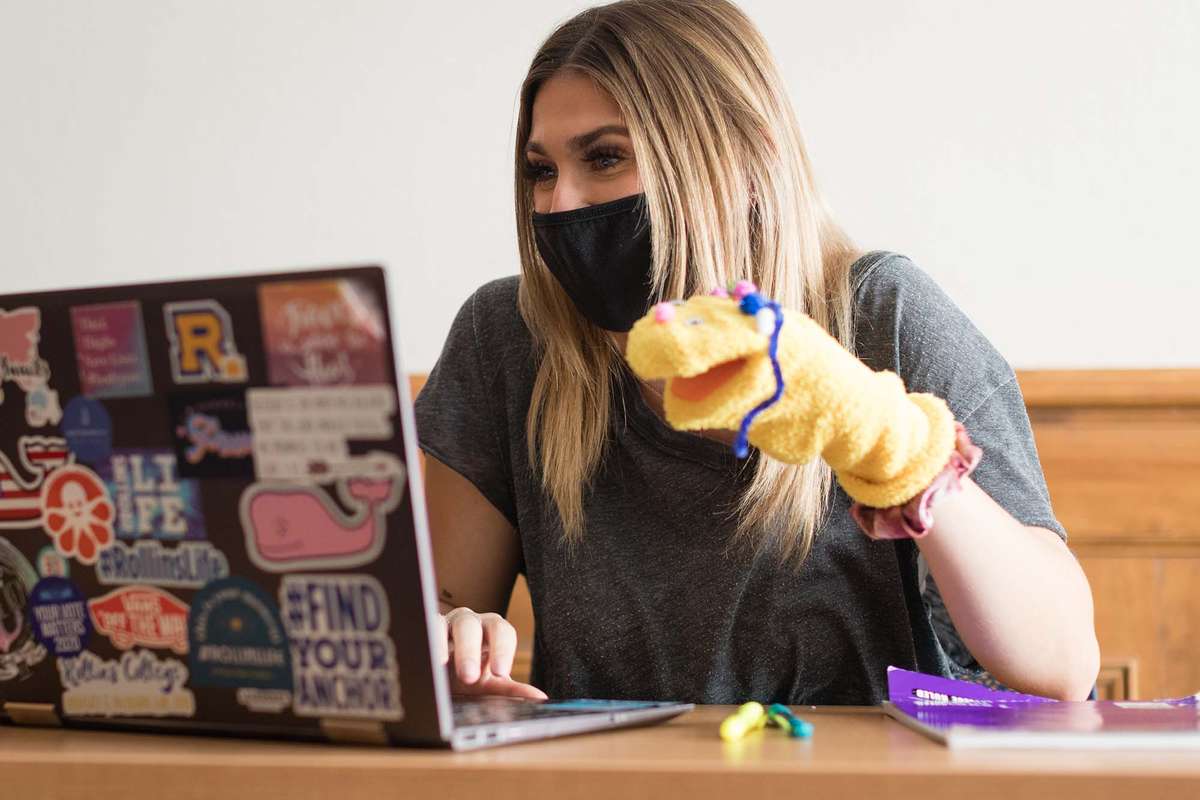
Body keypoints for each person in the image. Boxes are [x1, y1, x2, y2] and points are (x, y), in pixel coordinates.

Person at [416, 0, 1099, 705]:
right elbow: (436, 617)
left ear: (746, 161)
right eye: (541, 170)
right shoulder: (505, 338)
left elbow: (1064, 663)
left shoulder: (883, 315)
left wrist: (892, 444)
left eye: (605, 157)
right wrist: (447, 643)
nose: (560, 204)